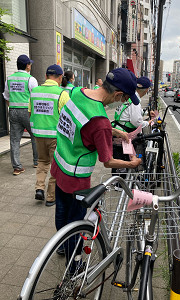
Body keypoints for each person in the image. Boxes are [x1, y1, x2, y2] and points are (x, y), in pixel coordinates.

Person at [50, 68, 141, 258]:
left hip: (59, 164)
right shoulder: (100, 121)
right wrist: (132, 164)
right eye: (124, 98)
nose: (122, 102)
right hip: (76, 178)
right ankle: (74, 267)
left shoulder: (76, 92)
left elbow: (83, 125)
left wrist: (116, 132)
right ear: (118, 94)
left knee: (61, 211)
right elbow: (107, 161)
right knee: (76, 223)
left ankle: (59, 245)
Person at [29, 64, 70, 206]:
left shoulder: (34, 91)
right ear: (60, 78)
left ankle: (39, 188)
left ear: (46, 76)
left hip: (38, 135)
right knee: (55, 165)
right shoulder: (62, 94)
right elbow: (68, 116)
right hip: (55, 136)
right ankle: (51, 197)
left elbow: (30, 112)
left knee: (42, 161)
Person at [2, 54, 38, 175]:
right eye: (30, 64)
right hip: (27, 112)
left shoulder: (10, 78)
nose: (31, 66)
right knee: (35, 136)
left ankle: (17, 167)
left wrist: (13, 107)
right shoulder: (30, 79)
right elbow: (36, 97)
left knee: (14, 139)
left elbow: (6, 96)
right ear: (27, 66)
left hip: (13, 110)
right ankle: (36, 161)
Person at [111, 76, 154, 169]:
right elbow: (137, 122)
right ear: (146, 90)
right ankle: (121, 182)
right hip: (124, 135)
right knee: (124, 163)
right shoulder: (135, 101)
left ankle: (117, 181)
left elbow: (130, 112)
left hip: (118, 131)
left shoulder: (129, 97)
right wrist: (148, 123)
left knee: (119, 162)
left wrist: (146, 113)